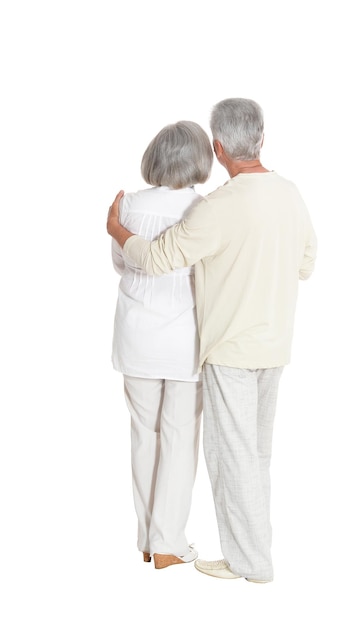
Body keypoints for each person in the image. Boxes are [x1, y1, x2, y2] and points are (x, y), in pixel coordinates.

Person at [107, 98, 317, 583]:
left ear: (219, 148)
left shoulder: (207, 207)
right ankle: (202, 548)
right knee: (239, 450)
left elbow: (150, 260)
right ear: (261, 138)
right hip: (253, 342)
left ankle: (216, 555)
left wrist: (117, 228)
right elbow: (306, 264)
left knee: (202, 449)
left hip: (206, 344)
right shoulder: (284, 194)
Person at [110, 121, 213, 569]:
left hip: (137, 337)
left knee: (143, 438)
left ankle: (148, 540)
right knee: (179, 437)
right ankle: (169, 541)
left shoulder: (127, 206)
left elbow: (122, 262)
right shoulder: (205, 209)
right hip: (186, 339)